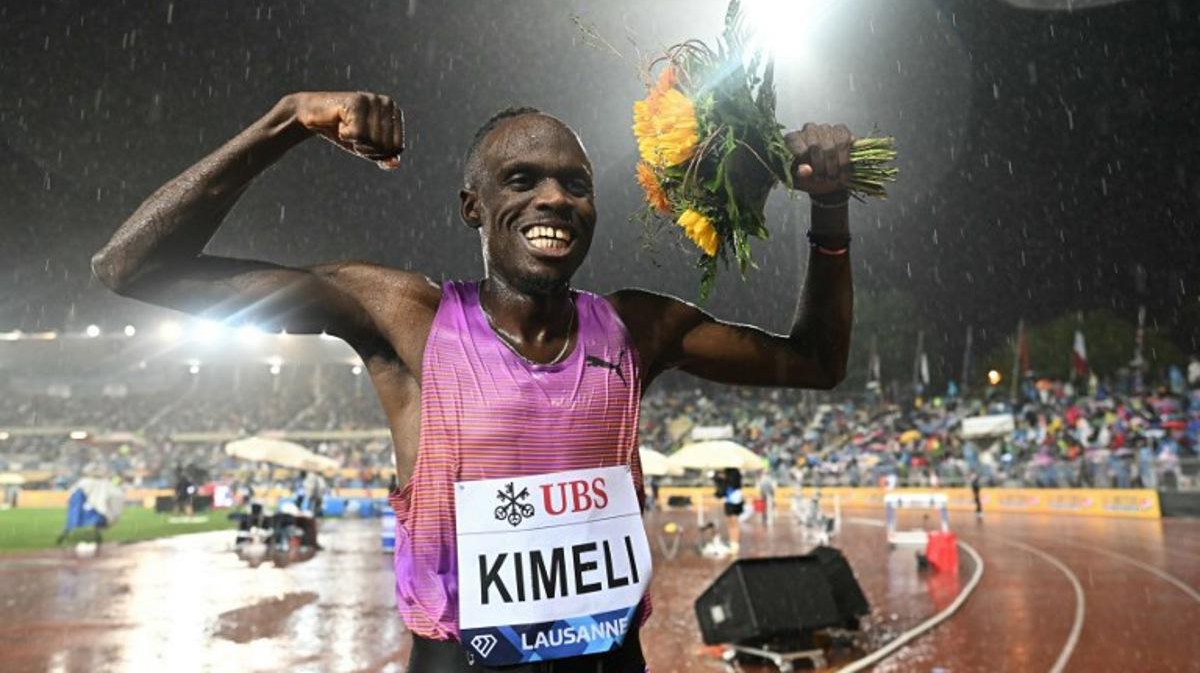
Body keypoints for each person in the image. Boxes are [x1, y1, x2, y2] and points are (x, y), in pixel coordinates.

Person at [93, 92, 854, 672]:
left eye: (575, 184)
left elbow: (818, 364)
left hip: (609, 660)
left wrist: (829, 209)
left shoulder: (640, 327)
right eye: (521, 180)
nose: (554, 198)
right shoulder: (406, 317)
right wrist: (287, 121)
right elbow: (132, 267)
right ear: (474, 208)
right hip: (461, 659)